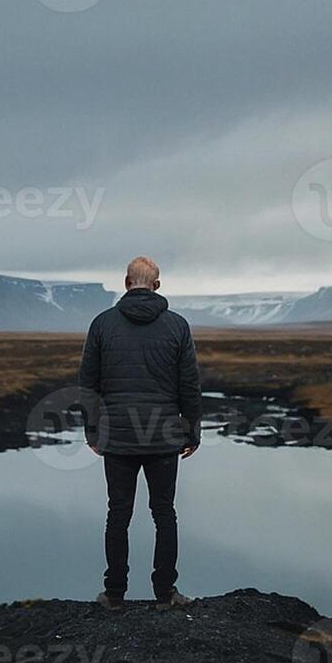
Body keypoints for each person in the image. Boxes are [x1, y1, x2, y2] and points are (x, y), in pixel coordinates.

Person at [78, 256, 202, 611]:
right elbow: (189, 384)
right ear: (158, 285)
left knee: (118, 513)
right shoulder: (177, 326)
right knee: (164, 513)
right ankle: (166, 594)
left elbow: (88, 384)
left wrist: (92, 431)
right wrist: (191, 432)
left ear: (127, 282)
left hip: (117, 436)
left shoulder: (102, 325)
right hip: (163, 436)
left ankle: (114, 594)